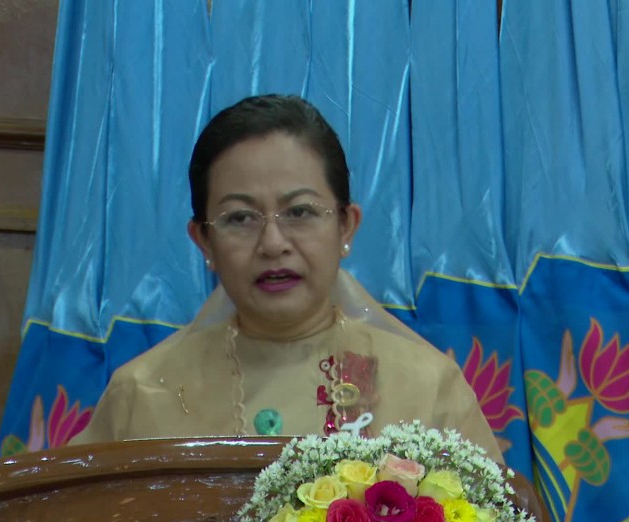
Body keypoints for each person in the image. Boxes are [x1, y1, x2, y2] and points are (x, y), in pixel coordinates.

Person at [69, 94, 502, 461]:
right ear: (204, 241)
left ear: (346, 227)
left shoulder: (429, 388)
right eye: (240, 218)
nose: (273, 243)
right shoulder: (141, 396)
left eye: (299, 212)